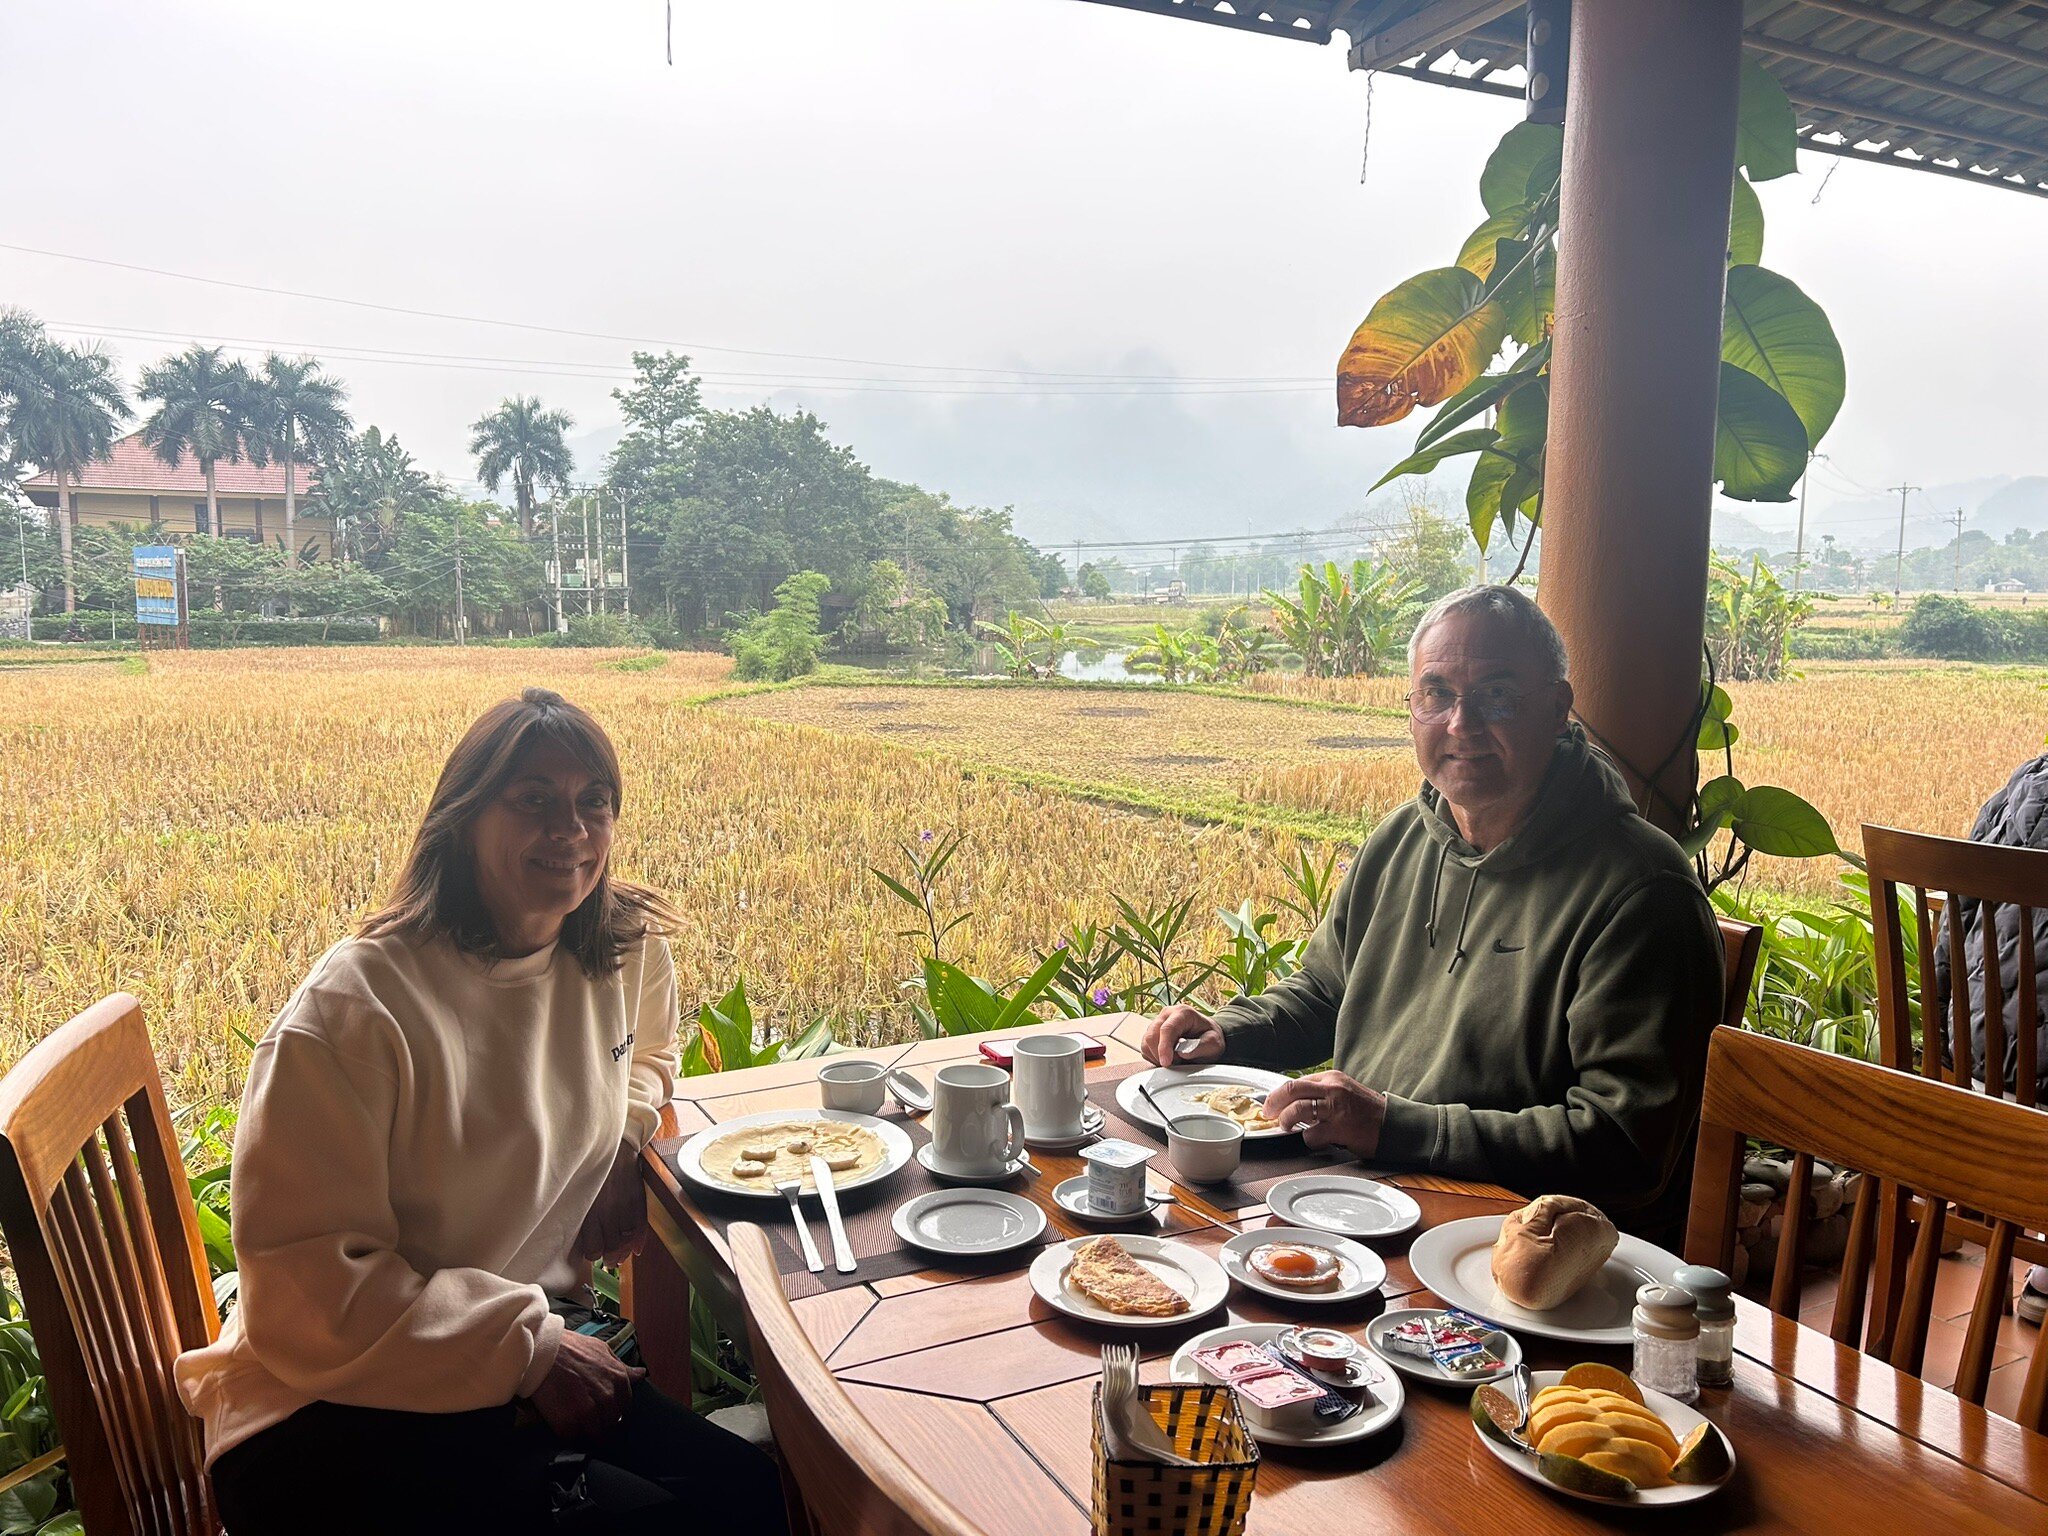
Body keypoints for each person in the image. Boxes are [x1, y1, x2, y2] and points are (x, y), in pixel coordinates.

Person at [177, 689, 786, 1536]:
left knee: (747, 1494)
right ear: (462, 819)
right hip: (324, 1406)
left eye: (591, 803)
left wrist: (622, 1138)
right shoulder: (360, 1009)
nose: (568, 828)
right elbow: (304, 1285)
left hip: (490, 1357)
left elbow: (648, 1056)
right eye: (533, 799)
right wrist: (528, 1350)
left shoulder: (620, 948)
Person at [1143, 585, 1723, 1233]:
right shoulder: (1403, 838)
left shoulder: (1642, 892)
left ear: (1558, 709)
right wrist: (1232, 1032)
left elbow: (1626, 1147)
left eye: (1497, 695)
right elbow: (1328, 991)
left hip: (1526, 1244)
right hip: (1364, 1196)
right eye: (1437, 694)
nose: (1461, 725)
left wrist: (1397, 1126)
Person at [1931, 750, 2048, 1325]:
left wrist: (1944, 1041)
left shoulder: (2022, 783)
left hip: (1981, 1068)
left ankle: (1963, 1225)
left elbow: (1954, 925)